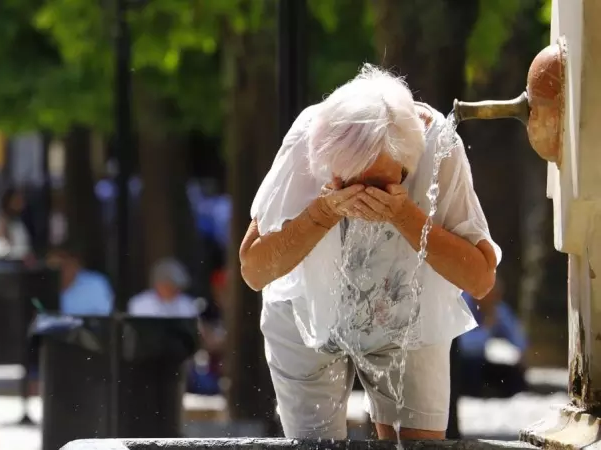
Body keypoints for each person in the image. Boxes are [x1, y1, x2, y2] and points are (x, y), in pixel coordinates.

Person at [239, 65, 500, 440]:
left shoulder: (439, 148)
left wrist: (404, 215)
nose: (360, 197)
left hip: (408, 313)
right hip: (306, 314)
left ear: (408, 166)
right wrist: (324, 211)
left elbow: (480, 279)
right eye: (345, 181)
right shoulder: (309, 139)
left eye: (376, 184)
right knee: (317, 448)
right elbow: (254, 269)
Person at [459, 279, 528, 398]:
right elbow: (464, 344)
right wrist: (487, 329)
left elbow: (519, 340)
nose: (495, 300)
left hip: (486, 362)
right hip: (466, 363)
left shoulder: (498, 309)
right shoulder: (463, 305)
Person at [50, 244, 114, 316]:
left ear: (76, 263)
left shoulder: (96, 284)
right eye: (56, 266)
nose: (62, 270)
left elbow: (104, 319)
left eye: (66, 263)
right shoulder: (43, 287)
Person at [128, 258, 198, 318]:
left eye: (174, 287)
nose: (171, 289)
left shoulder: (189, 305)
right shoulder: (139, 303)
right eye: (167, 285)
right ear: (157, 284)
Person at [0, 188, 32, 259]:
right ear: (9, 201)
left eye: (21, 200)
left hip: (23, 259)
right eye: (17, 200)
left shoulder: (22, 220)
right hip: (8, 261)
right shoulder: (1, 220)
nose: (20, 204)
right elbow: (1, 244)